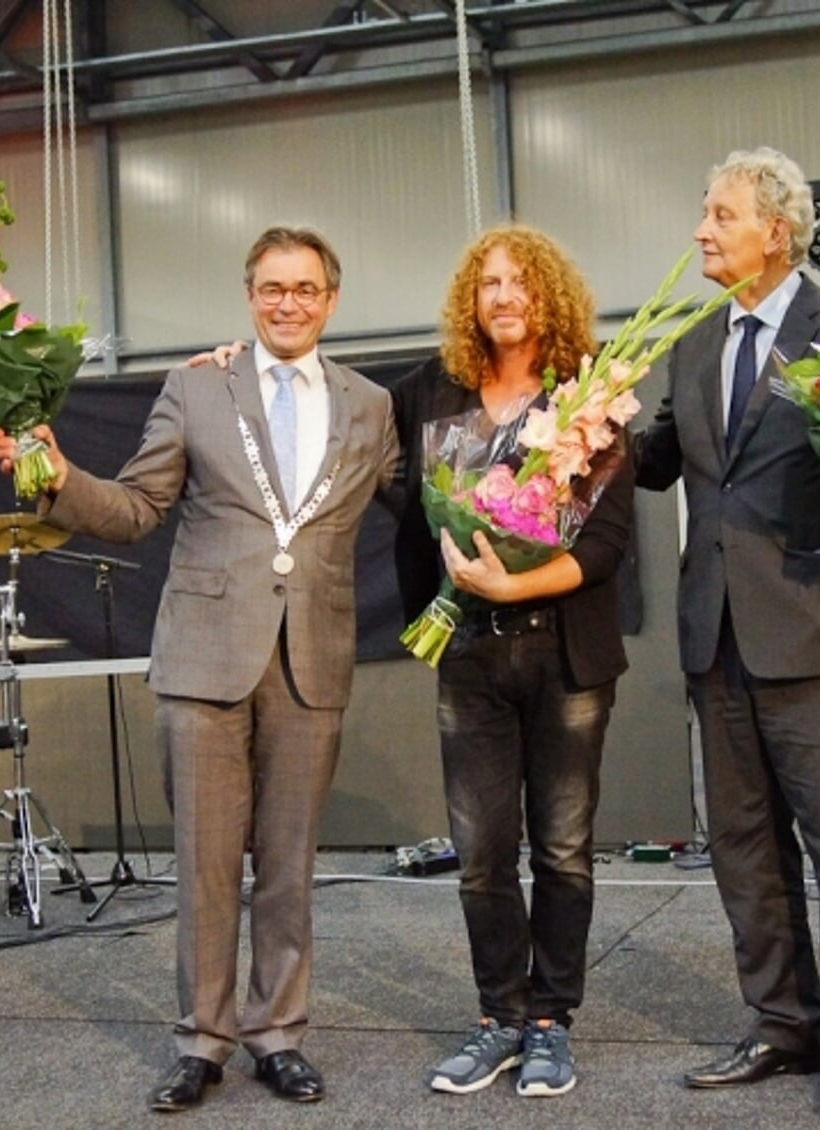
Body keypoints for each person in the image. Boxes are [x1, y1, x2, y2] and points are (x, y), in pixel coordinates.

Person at [190, 223, 633, 1099]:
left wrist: (514, 587)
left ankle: (550, 1022)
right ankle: (498, 1017)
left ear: (551, 297)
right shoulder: (427, 394)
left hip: (568, 658)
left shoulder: (592, 393)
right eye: (489, 284)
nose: (504, 297)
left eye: (521, 283)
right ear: (470, 301)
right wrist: (238, 365)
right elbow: (326, 410)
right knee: (480, 855)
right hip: (465, 654)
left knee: (565, 851)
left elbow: (612, 540)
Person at [0, 226, 399, 1114]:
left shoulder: (370, 405)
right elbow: (137, 510)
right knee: (207, 863)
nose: (287, 302)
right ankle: (203, 1041)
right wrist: (57, 476)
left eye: (304, 288)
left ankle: (277, 1035)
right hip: (204, 659)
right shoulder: (195, 383)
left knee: (288, 866)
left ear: (331, 299)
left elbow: (418, 495)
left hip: (312, 661)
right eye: (270, 287)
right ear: (249, 293)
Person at [633, 148, 820, 1117]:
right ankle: (782, 1020)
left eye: (718, 214)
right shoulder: (694, 341)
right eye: (705, 211)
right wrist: (586, 423)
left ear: (777, 227)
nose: (701, 231)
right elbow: (660, 461)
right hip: (716, 634)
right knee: (744, 846)